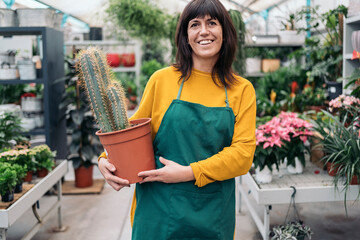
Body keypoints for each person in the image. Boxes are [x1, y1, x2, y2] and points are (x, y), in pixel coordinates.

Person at [98, 0, 256, 239]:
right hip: (158, 210)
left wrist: (189, 172)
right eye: (195, 24)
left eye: (212, 23)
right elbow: (131, 136)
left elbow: (243, 155)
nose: (203, 31)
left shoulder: (241, 90)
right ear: (186, 35)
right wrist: (104, 161)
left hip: (213, 214)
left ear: (225, 32)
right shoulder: (162, 80)